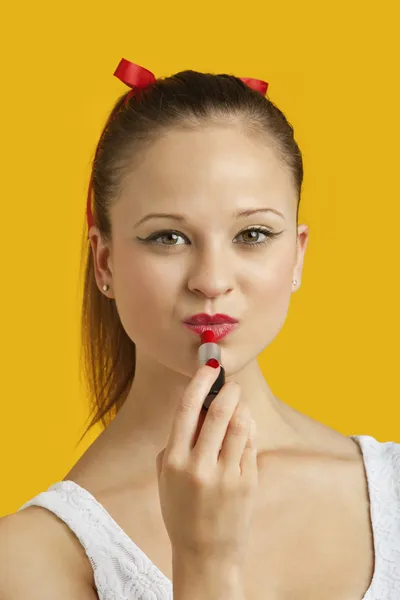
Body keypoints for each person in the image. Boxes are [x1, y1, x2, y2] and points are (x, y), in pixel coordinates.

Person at [0, 58, 399, 600]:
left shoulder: (391, 491)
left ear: (298, 256)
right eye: (168, 238)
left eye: (254, 234)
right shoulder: (28, 559)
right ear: (105, 262)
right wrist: (204, 562)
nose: (211, 281)